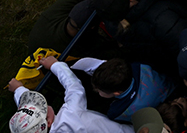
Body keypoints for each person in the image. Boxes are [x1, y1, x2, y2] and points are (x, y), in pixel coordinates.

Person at [6, 55, 134, 133]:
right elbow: (73, 86)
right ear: (49, 121)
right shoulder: (71, 115)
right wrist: (55, 65)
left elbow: (26, 122)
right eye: (42, 107)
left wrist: (19, 91)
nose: (43, 104)